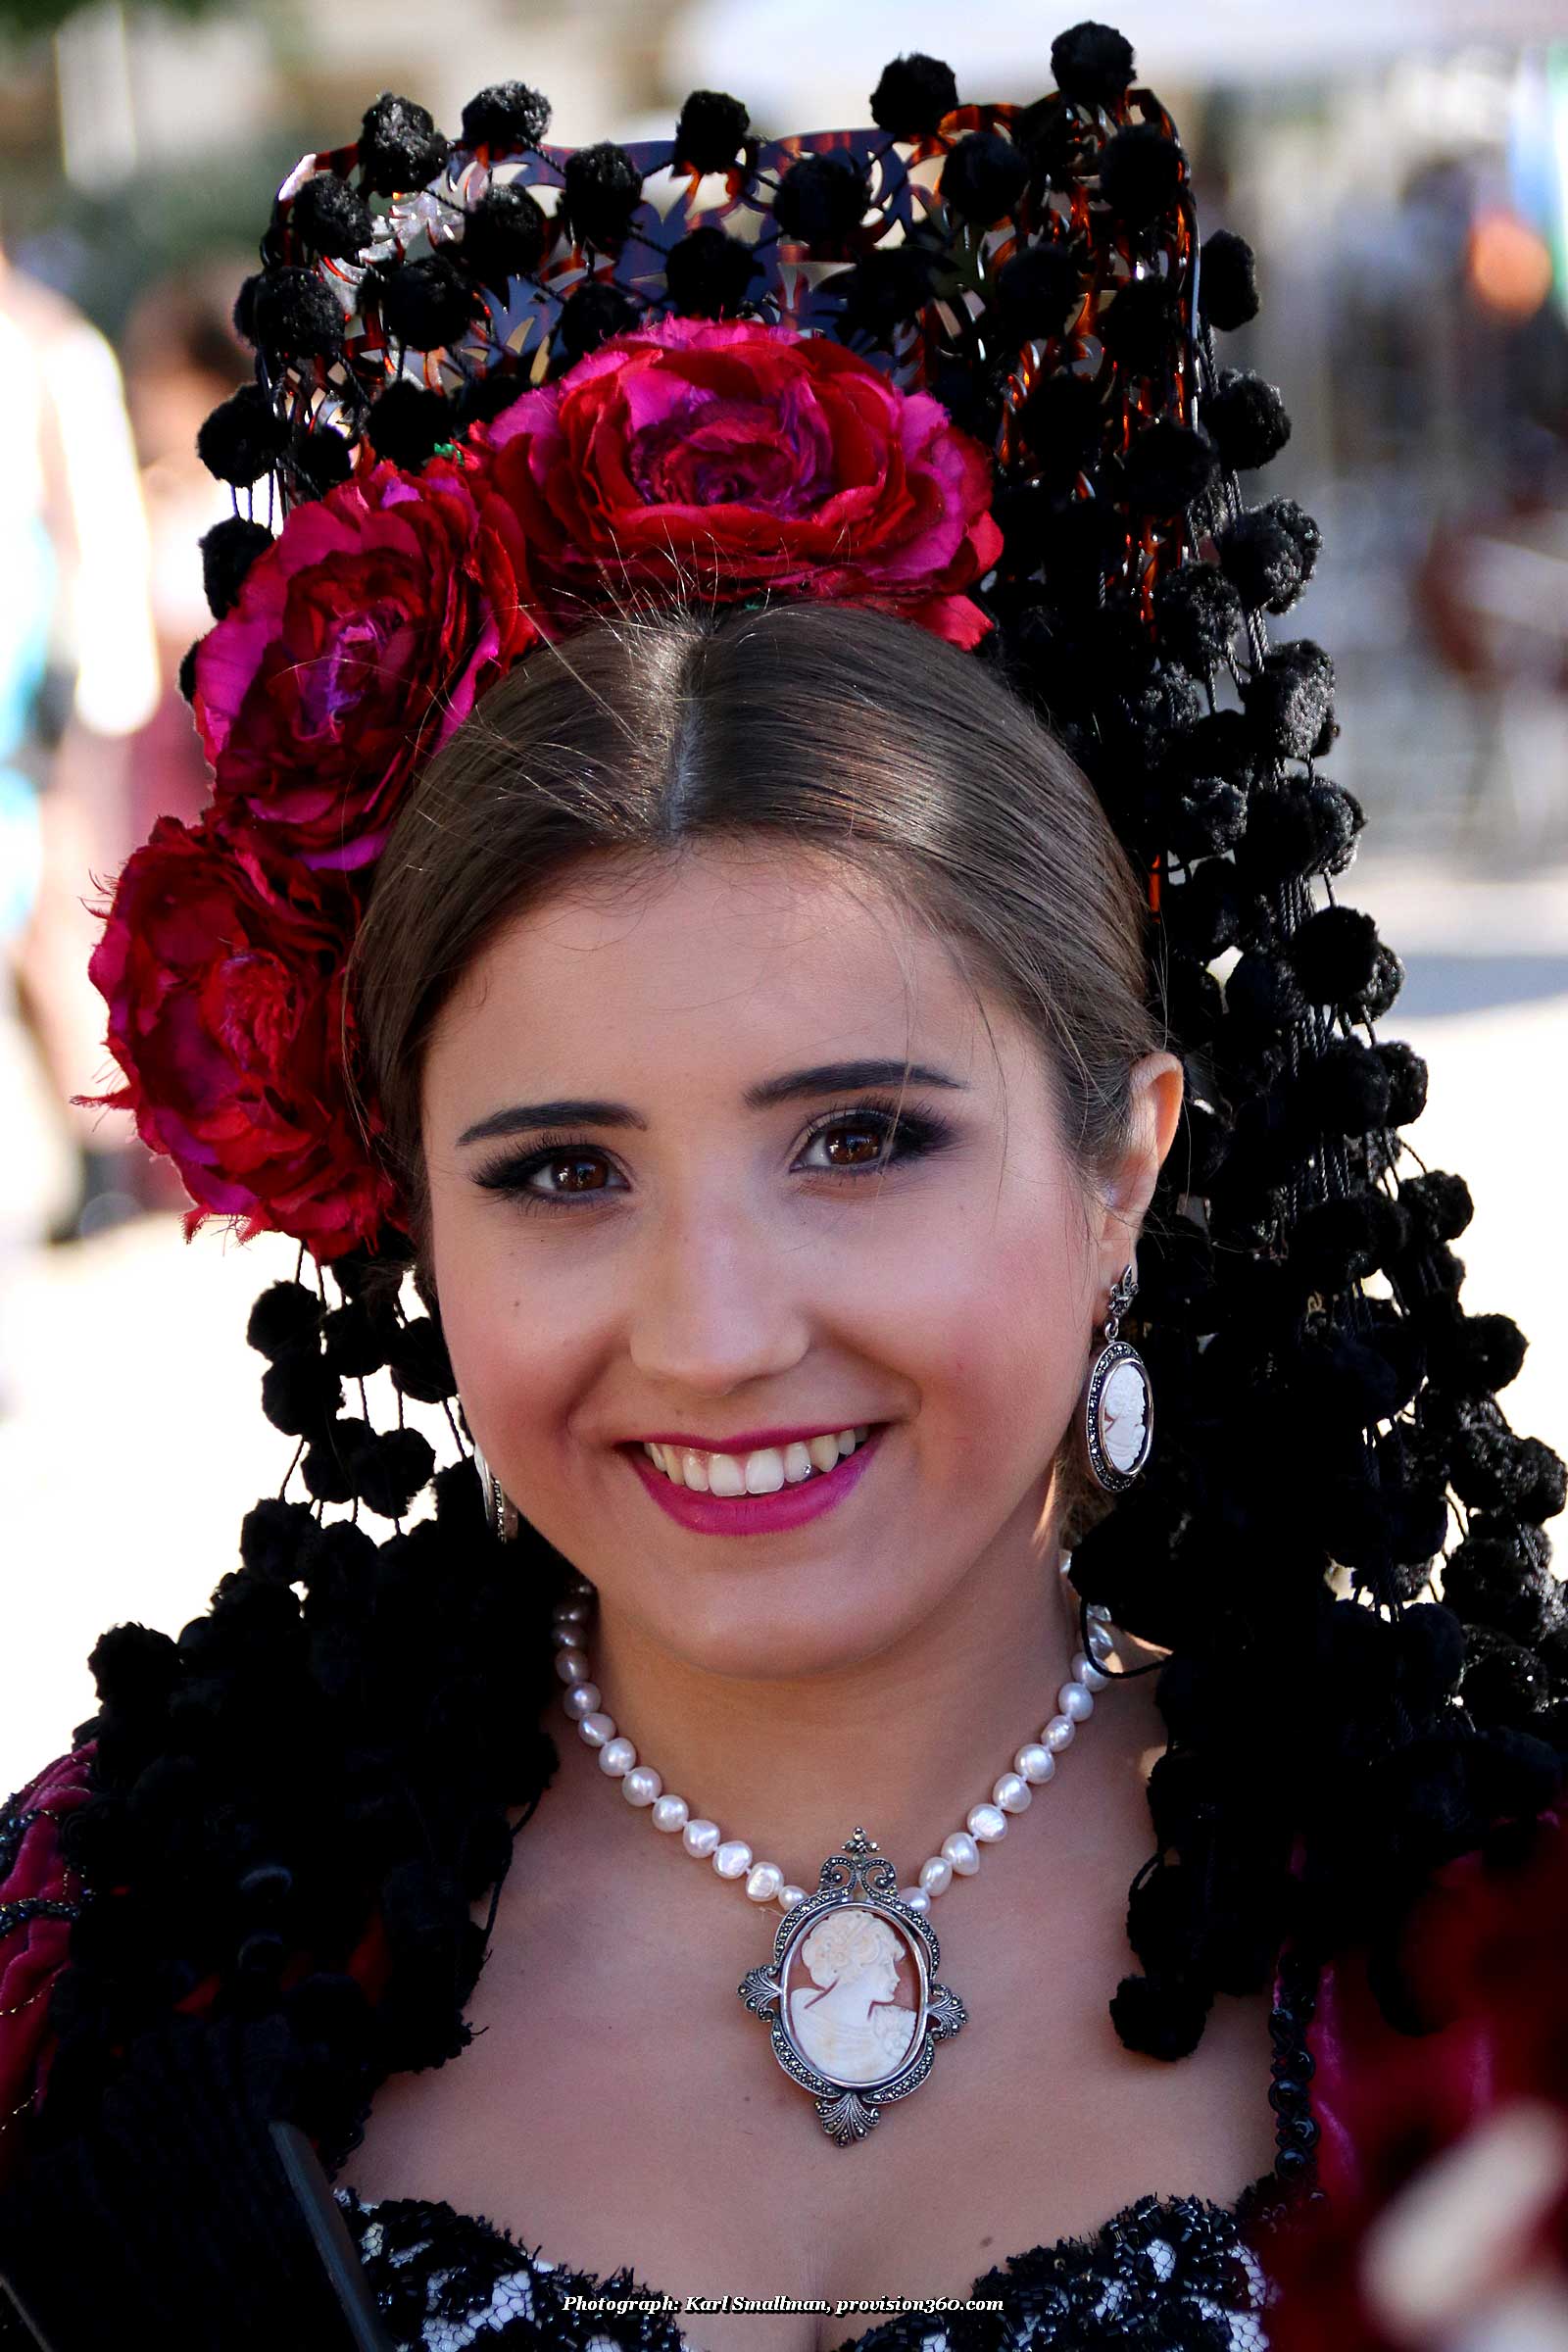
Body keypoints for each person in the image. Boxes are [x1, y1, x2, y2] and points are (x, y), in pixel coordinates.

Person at [1, 23, 1563, 2350]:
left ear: (1121, 1157)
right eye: (558, 1171)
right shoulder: (127, 1946)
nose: (713, 1327)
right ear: (407, 1207)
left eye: (859, 1139)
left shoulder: (1489, 1946)